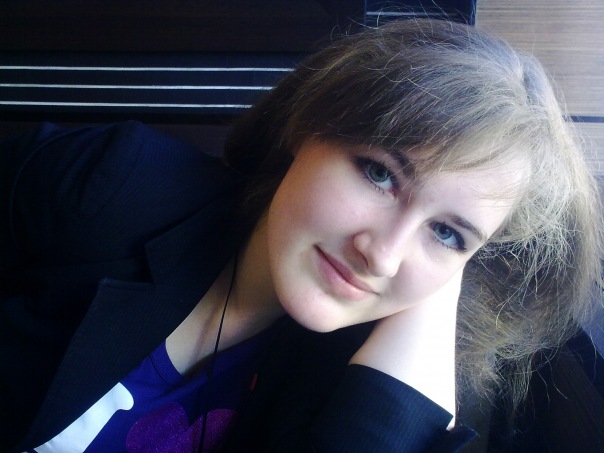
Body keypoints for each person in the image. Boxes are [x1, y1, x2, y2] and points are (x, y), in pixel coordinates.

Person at [1, 18, 601, 452]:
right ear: (305, 126)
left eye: (447, 233)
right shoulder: (115, 186)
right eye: (380, 174)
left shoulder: (368, 374)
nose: (381, 254)